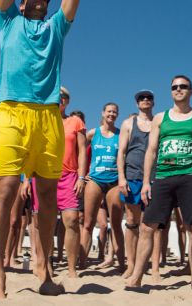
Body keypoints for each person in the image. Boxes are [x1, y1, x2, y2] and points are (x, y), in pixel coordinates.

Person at [0, 0, 95, 298]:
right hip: (12, 113)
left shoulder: (55, 29)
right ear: (21, 1)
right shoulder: (8, 22)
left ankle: (45, 268)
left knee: (47, 199)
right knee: (6, 190)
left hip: (49, 117)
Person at [126, 75, 192, 289]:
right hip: (163, 177)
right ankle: (136, 277)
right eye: (175, 87)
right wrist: (147, 182)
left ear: (191, 91)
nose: (178, 89)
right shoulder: (160, 118)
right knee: (148, 227)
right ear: (171, 91)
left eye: (183, 86)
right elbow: (152, 151)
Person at [81, 103, 124, 270]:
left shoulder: (121, 134)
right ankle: (82, 263)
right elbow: (81, 152)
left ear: (117, 114)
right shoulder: (93, 133)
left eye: (114, 112)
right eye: (109, 111)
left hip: (114, 181)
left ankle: (121, 265)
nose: (111, 114)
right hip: (95, 180)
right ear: (103, 113)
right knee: (88, 223)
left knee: (116, 224)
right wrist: (82, 173)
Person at [117, 89, 154, 278]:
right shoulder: (128, 123)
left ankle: (148, 266)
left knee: (150, 224)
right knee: (131, 221)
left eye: (148, 98)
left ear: (153, 102)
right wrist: (121, 178)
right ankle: (131, 265)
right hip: (131, 177)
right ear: (137, 103)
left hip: (153, 179)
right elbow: (121, 152)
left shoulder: (159, 123)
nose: (145, 100)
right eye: (141, 98)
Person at [53, 86, 86, 277]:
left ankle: (71, 268)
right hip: (44, 175)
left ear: (68, 101)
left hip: (69, 176)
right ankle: (45, 264)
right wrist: (27, 178)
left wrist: (81, 176)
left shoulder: (75, 121)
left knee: (72, 220)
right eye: (57, 96)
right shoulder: (42, 119)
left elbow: (82, 151)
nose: (60, 99)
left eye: (64, 97)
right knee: (44, 223)